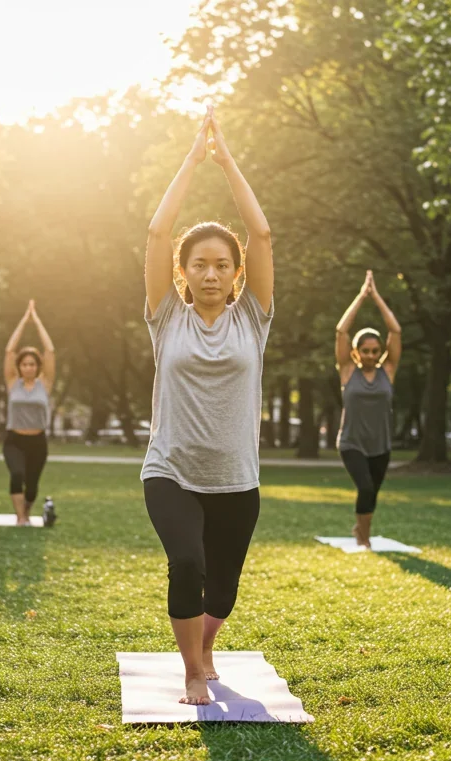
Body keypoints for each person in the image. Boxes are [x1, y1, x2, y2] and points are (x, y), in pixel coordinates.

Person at [142, 107, 274, 705]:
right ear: (184, 272)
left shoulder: (253, 319)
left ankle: (206, 643)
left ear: (236, 272)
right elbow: (156, 234)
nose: (211, 274)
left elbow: (262, 235)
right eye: (200, 265)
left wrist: (228, 162)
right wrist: (193, 160)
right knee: (188, 564)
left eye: (222, 265)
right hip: (170, 468)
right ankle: (192, 670)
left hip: (235, 477)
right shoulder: (167, 317)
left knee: (222, 590)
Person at [334, 270, 402, 549]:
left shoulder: (388, 370)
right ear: (356, 352)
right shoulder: (348, 370)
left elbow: (395, 331)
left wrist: (377, 298)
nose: (371, 355)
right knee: (365, 487)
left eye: (375, 351)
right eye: (366, 351)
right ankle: (364, 539)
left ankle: (361, 530)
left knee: (372, 492)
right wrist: (362, 297)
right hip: (352, 442)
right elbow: (341, 331)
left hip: (380, 444)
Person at [2, 300, 56, 526]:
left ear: (38, 367)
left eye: (32, 364)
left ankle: (26, 512)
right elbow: (9, 351)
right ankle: (20, 517)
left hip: (37, 441)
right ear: (19, 366)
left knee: (32, 484)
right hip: (14, 440)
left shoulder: (45, 384)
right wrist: (24, 321)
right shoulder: (12, 383)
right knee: (17, 475)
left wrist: (37, 321)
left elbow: (50, 351)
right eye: (24, 364)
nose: (28, 368)